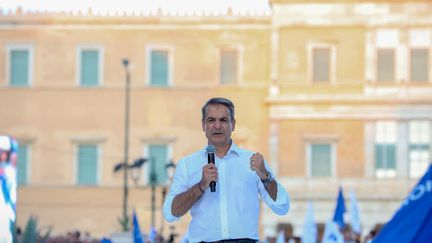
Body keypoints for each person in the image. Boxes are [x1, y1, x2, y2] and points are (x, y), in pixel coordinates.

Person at [163, 97, 290, 242]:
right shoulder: (188, 164)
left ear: (233, 124)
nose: (217, 126)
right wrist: (201, 186)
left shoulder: (253, 161)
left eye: (223, 120)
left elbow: (282, 206)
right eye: (211, 120)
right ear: (203, 125)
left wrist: (265, 177)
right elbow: (170, 213)